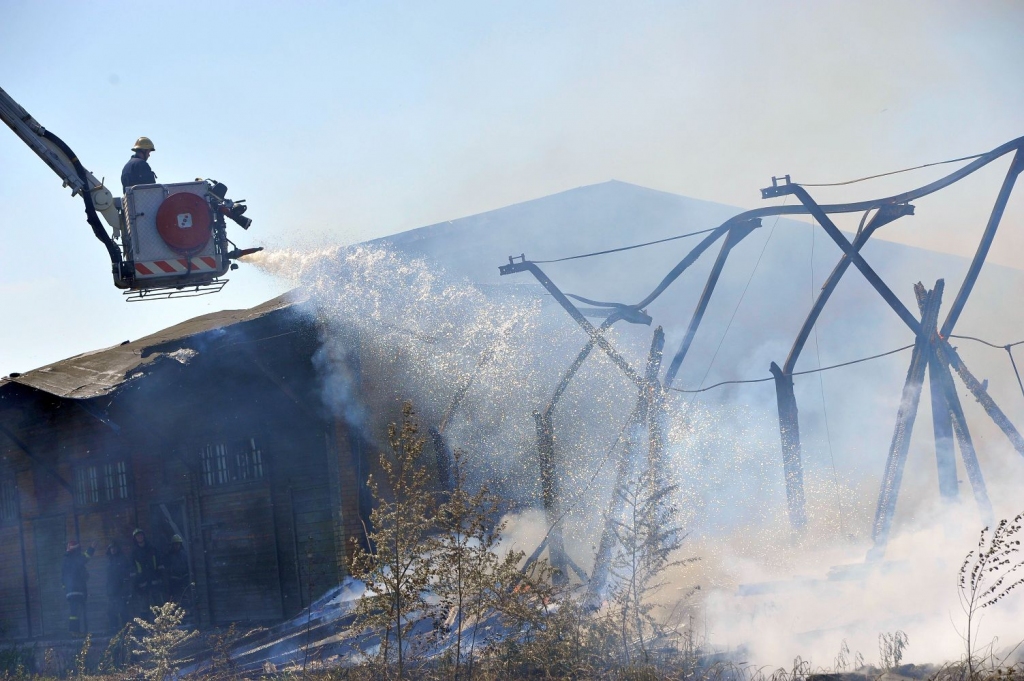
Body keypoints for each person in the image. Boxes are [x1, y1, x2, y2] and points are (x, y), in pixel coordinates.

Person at [61, 540, 95, 636]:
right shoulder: (74, 558)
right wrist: (91, 548)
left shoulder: (66, 559)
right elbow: (85, 558)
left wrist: (66, 588)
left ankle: (75, 631)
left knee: (75, 611)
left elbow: (63, 576)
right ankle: (74, 631)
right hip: (76, 590)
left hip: (71, 590)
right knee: (75, 611)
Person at [131, 528, 163, 617]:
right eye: (137, 536)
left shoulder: (152, 549)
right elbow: (133, 569)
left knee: (158, 606)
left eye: (141, 535)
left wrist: (159, 577)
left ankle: (161, 623)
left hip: (154, 581)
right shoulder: (134, 553)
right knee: (144, 607)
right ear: (135, 538)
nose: (140, 537)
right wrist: (137, 583)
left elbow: (159, 564)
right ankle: (145, 624)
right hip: (142, 584)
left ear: (144, 536)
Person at [104, 541, 133, 633]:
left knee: (123, 610)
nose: (113, 550)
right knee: (111, 611)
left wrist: (126, 589)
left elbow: (127, 575)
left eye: (114, 548)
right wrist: (108, 590)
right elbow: (108, 578)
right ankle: (114, 629)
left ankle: (126, 630)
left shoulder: (123, 559)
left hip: (121, 590)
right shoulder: (109, 561)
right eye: (111, 548)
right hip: (111, 591)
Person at [163, 535, 191, 614]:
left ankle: (186, 612)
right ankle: (176, 613)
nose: (177, 546)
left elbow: (187, 565)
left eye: (178, 544)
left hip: (184, 579)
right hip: (174, 580)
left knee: (185, 596)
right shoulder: (169, 556)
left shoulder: (184, 554)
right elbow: (167, 568)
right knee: (175, 598)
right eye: (175, 544)